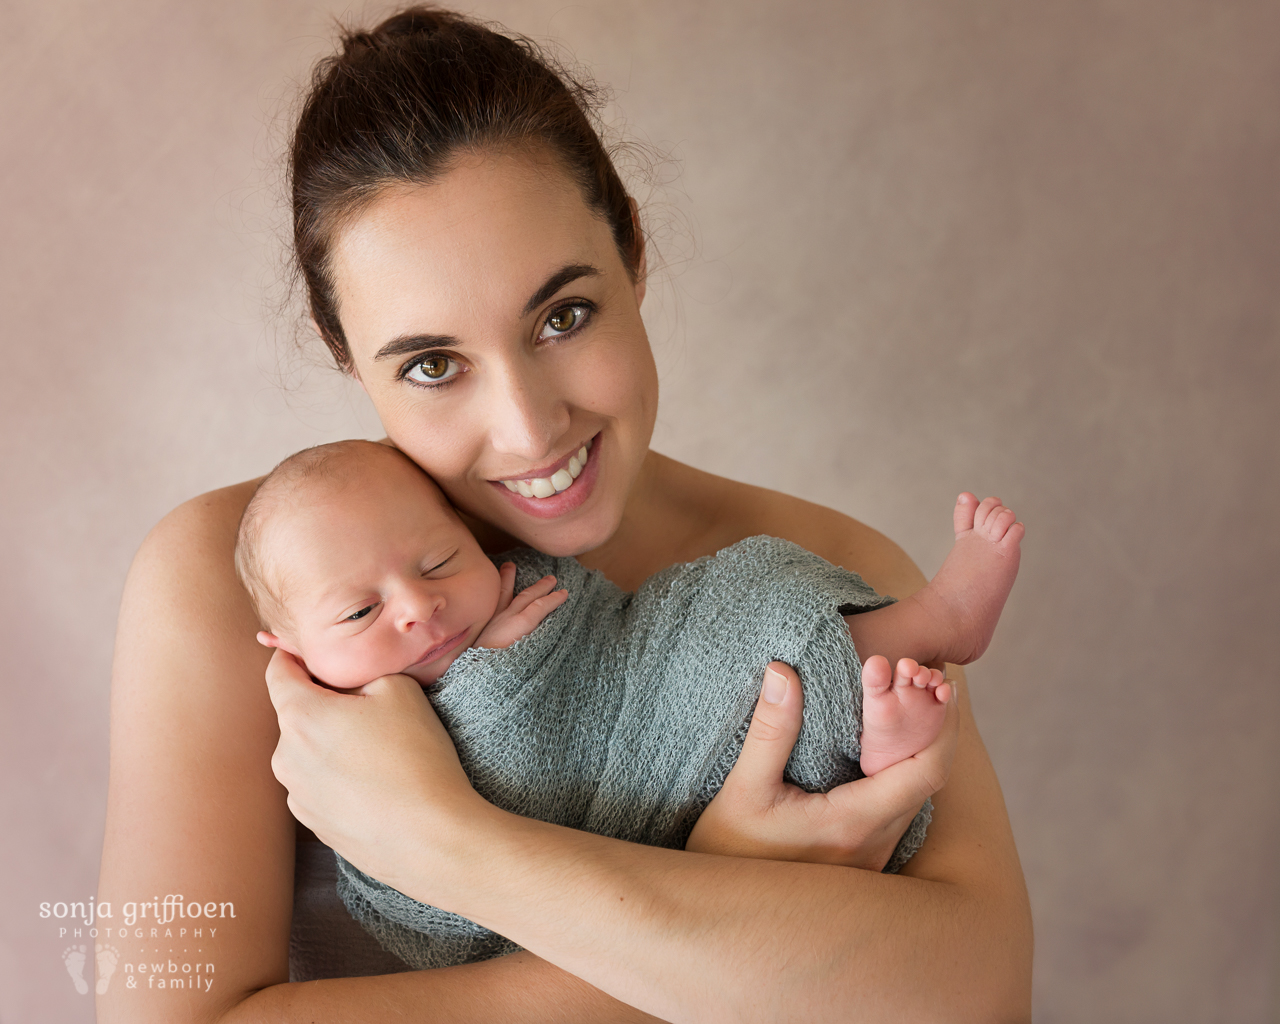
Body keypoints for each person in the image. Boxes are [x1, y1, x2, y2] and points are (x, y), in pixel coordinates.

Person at [97, 7, 1032, 1022]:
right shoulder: (219, 585)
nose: (527, 427)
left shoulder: (827, 566)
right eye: (432, 364)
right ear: (341, 349)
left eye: (561, 316)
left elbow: (980, 992)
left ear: (631, 247)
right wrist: (729, 907)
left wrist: (456, 845)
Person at [234, 439, 1022, 968]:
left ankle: (907, 663)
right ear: (292, 655)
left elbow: (621, 647)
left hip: (663, 704)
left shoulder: (518, 581)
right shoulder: (335, 744)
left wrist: (517, 642)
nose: (419, 608)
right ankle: (878, 708)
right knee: (749, 656)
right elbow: (416, 895)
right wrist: (487, 683)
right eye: (358, 615)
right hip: (611, 864)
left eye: (441, 561)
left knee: (738, 599)